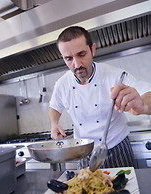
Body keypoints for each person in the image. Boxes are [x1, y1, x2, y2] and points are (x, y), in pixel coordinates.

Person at [49, 26, 151, 168]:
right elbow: (54, 106)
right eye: (69, 58)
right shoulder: (62, 84)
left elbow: (147, 93)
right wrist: (54, 124)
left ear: (93, 49)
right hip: (84, 151)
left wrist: (143, 105)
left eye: (82, 54)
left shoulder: (115, 75)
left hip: (117, 149)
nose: (77, 64)